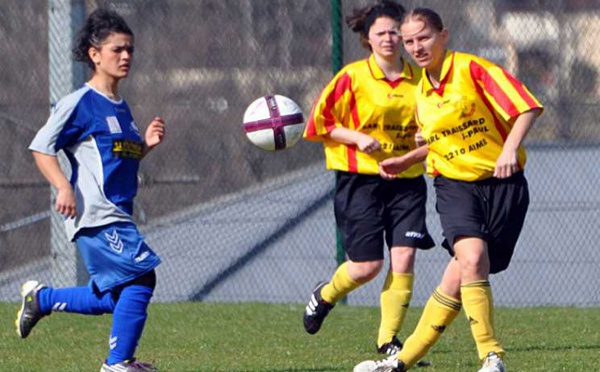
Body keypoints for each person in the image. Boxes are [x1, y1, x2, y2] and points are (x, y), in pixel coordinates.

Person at [354, 7, 543, 372]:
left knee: (458, 277)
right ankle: (491, 355)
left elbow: (527, 107)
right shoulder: (421, 93)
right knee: (472, 258)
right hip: (455, 184)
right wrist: (408, 159)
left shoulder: (472, 70)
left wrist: (507, 149)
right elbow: (443, 142)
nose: (416, 47)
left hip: (505, 185)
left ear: (444, 35)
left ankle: (399, 363)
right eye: (409, 42)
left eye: (423, 37)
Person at [16, 8, 165, 372]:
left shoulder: (122, 108)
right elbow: (40, 146)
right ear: (94, 55)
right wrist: (63, 185)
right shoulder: (79, 103)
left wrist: (143, 145)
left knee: (116, 296)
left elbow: (114, 161)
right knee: (142, 277)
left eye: (129, 49)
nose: (126, 56)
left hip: (118, 214)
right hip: (97, 216)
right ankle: (117, 364)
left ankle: (42, 299)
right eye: (117, 49)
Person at [302, 0, 434, 356]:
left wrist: (425, 135)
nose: (389, 38)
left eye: (395, 32)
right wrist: (356, 137)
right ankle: (324, 295)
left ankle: (388, 341)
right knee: (367, 266)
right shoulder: (352, 77)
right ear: (367, 39)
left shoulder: (421, 79)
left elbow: (436, 121)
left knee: (404, 257)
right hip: (360, 180)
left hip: (407, 181)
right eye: (381, 33)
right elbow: (318, 124)